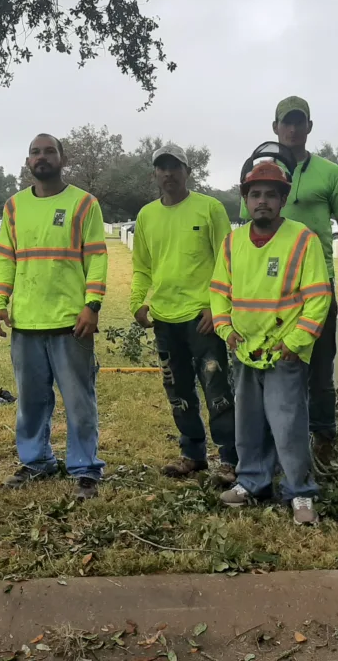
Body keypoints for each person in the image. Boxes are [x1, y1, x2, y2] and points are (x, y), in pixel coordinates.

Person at [240, 97, 338, 462]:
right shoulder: (260, 174)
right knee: (271, 365)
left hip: (315, 288)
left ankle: (322, 439)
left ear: (309, 126)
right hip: (268, 294)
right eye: (285, 122)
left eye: (299, 122)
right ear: (275, 127)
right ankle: (274, 444)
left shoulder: (330, 173)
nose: (292, 129)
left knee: (319, 369)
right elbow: (247, 233)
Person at [211, 161, 332, 524]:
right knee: (248, 421)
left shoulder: (303, 239)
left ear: (282, 199)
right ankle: (252, 481)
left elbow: (318, 296)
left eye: (270, 194)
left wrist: (296, 341)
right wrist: (225, 329)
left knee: (288, 423)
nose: (262, 201)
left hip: (284, 351)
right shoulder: (233, 242)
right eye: (255, 194)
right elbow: (219, 291)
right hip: (244, 349)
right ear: (246, 199)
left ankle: (300, 491)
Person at [0, 133, 108, 501]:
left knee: (79, 402)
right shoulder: (14, 206)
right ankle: (36, 461)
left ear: (62, 158)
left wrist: (92, 304)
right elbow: (6, 256)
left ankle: (85, 468)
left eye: (49, 151)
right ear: (28, 161)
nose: (41, 157)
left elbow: (97, 256)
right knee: (30, 402)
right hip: (26, 322)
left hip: (70, 322)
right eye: (35, 152)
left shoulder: (84, 204)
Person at [129, 144, 237, 484]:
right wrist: (137, 302)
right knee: (178, 391)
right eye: (162, 168)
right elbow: (142, 266)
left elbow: (228, 262)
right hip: (164, 320)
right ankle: (193, 454)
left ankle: (230, 459)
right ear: (154, 174)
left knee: (217, 390)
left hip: (202, 320)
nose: (168, 174)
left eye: (175, 167)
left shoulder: (209, 208)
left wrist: (216, 307)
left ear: (188, 171)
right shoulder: (146, 215)